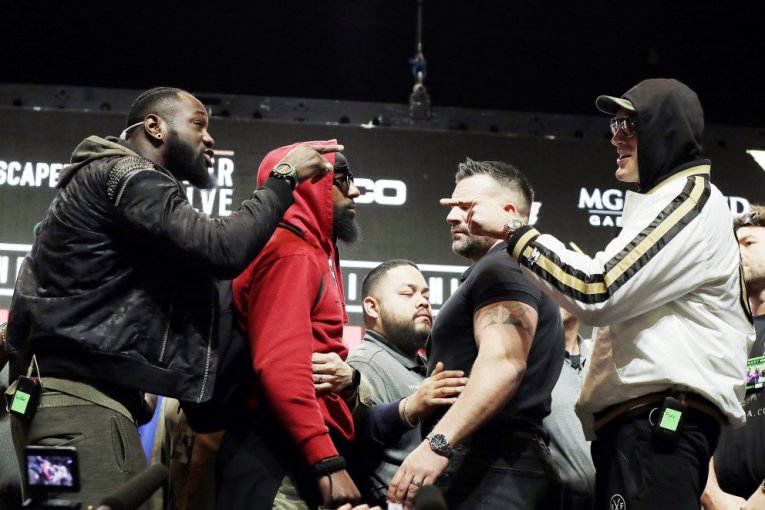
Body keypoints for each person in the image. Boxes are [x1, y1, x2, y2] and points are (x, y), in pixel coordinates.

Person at [3, 87, 339, 507]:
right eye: (198, 124)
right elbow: (220, 248)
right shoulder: (127, 173)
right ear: (154, 127)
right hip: (80, 411)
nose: (209, 138)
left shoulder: (104, 181)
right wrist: (284, 178)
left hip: (58, 408)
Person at [453, 78, 753, 510]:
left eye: (629, 125)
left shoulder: (689, 197)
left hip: (660, 427)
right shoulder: (666, 203)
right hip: (642, 428)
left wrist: (515, 231)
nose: (615, 137)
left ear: (664, 130)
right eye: (615, 124)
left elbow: (596, 290)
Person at [389, 158, 564, 510]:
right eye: (452, 207)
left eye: (466, 207)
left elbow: (504, 364)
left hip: (492, 464)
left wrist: (437, 444)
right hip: (498, 465)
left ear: (508, 213)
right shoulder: (506, 269)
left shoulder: (503, 266)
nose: (452, 217)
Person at [216, 142, 363, 510]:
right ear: (311, 184)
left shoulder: (308, 251)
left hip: (290, 447)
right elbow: (280, 365)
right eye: (343, 180)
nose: (356, 191)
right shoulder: (291, 252)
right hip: (279, 452)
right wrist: (326, 460)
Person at [339, 259, 467, 505]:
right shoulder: (364, 364)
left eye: (426, 295)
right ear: (372, 307)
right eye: (408, 293)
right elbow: (354, 445)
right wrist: (410, 407)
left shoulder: (426, 367)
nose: (423, 302)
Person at [702, 204, 765, 510]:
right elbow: (694, 418)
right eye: (734, 245)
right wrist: (711, 495)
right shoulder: (716, 334)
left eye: (749, 243)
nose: (738, 253)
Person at [543, 307, 595, 510]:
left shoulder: (603, 360)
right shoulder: (531, 365)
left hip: (613, 496)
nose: (557, 296)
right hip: (558, 501)